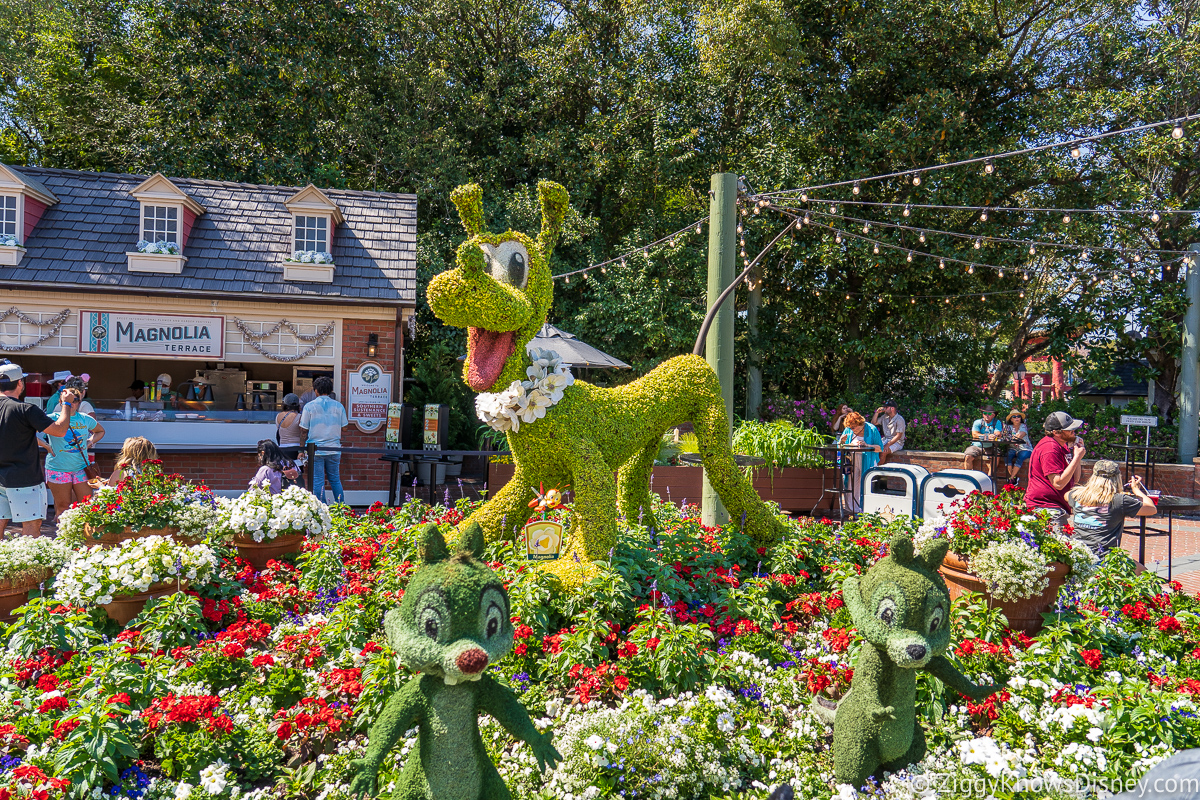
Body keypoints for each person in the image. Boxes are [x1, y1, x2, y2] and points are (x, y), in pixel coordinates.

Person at [0, 360, 82, 536]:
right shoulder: (26, 409)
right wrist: (67, 404)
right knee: (30, 525)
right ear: (20, 383)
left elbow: (12, 434)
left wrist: (42, 443)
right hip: (25, 477)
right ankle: (29, 564)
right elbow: (59, 430)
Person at [39, 377, 105, 520]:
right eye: (69, 400)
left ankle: (84, 538)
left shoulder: (85, 418)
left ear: (80, 402)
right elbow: (28, 432)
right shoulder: (51, 418)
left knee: (86, 505)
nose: (72, 403)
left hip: (81, 467)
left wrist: (89, 442)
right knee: (63, 507)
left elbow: (100, 431)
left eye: (75, 400)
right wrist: (45, 445)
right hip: (58, 468)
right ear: (61, 401)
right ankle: (63, 538)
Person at [1066, 460, 1156, 559]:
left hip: (1076, 554)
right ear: (1117, 478)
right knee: (1142, 571)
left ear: (1093, 477)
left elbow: (1066, 495)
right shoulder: (1119, 500)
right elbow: (1151, 509)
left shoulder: (1076, 495)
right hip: (1104, 557)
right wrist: (1136, 489)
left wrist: (1088, 494)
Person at [1025, 410, 1086, 521]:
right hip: (1046, 507)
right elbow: (1058, 483)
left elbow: (1074, 479)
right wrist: (1077, 457)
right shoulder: (1050, 448)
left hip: (1055, 506)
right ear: (1056, 433)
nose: (1074, 431)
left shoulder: (1062, 446)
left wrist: (1077, 456)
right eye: (1069, 430)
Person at [299, 376, 348, 504]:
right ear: (330, 390)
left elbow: (303, 430)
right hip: (334, 448)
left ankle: (322, 508)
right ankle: (341, 507)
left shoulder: (309, 407)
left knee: (318, 480)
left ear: (316, 390)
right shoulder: (339, 406)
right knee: (335, 479)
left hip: (315, 450)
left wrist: (301, 449)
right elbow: (345, 428)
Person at [837, 411, 883, 514]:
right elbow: (840, 447)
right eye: (850, 427)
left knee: (865, 483)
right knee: (851, 484)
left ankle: (865, 509)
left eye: (854, 427)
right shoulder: (848, 430)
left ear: (860, 424)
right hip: (852, 460)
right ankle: (851, 508)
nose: (852, 430)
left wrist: (866, 445)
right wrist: (841, 442)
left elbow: (880, 448)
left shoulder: (872, 429)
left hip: (868, 460)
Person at [963, 404, 1003, 475]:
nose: (987, 415)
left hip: (991, 446)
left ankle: (989, 478)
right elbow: (974, 434)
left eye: (989, 413)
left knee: (997, 455)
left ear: (993, 415)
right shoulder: (977, 422)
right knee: (968, 456)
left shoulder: (997, 422)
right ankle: (970, 477)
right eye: (985, 413)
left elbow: (998, 433)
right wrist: (986, 436)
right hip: (977, 446)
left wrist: (994, 436)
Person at [1003, 410, 1033, 485]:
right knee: (1007, 456)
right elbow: (1004, 436)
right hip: (1013, 448)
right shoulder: (1008, 427)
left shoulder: (1023, 426)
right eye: (1014, 417)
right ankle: (1014, 478)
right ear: (1011, 419)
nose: (1017, 418)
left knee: (1021, 456)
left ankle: (1011, 479)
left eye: (1018, 416)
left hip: (1025, 448)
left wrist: (1010, 437)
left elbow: (1020, 435)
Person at [871, 400, 906, 465]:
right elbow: (873, 423)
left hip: (897, 442)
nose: (884, 409)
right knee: (873, 447)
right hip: (886, 439)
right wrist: (877, 412)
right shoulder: (885, 417)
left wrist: (887, 445)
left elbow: (898, 436)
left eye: (886, 407)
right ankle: (873, 467)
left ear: (892, 408)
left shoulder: (900, 419)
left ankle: (877, 470)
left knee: (883, 451)